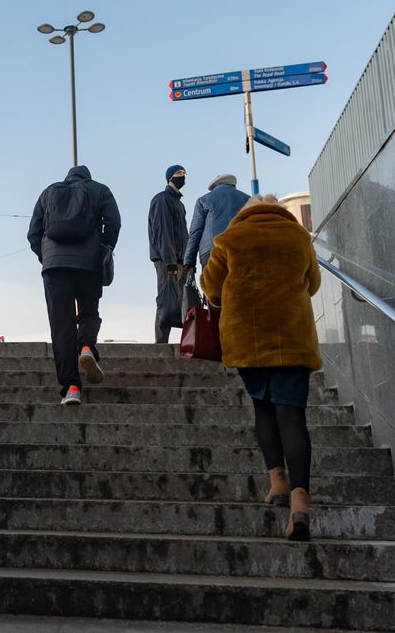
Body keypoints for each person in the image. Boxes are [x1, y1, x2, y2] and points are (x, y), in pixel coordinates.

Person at [199, 194, 322, 541]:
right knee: (293, 417)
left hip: (248, 342)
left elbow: (210, 288)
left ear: (244, 214)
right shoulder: (299, 237)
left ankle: (277, 483)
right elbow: (313, 283)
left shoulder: (229, 239)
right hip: (293, 340)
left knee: (263, 410)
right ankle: (300, 503)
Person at [27, 165, 121, 405]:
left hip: (54, 267)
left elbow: (33, 233)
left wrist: (46, 255)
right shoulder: (100, 190)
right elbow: (114, 223)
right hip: (88, 263)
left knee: (62, 326)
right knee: (89, 311)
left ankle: (71, 388)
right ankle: (87, 347)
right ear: (88, 177)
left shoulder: (49, 192)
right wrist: (104, 249)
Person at [148, 164, 190, 342]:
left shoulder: (179, 204)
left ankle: (185, 343)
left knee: (180, 304)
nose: (183, 176)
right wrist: (170, 262)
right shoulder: (163, 199)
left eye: (184, 173)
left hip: (181, 261)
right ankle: (160, 345)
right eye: (179, 173)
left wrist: (188, 261)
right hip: (168, 261)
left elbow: (183, 234)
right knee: (166, 302)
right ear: (169, 177)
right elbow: (163, 232)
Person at [183, 173, 250, 277]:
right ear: (233, 185)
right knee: (238, 290)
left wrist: (189, 261)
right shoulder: (247, 199)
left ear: (215, 187)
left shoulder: (204, 199)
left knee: (212, 291)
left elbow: (195, 231)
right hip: (240, 251)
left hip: (211, 251)